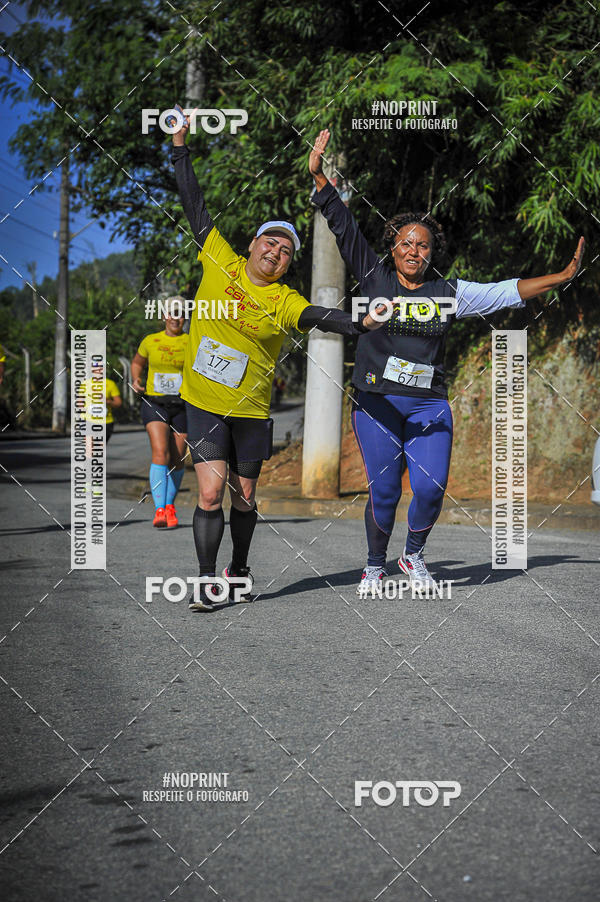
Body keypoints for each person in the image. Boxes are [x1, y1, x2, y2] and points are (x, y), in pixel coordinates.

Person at [309, 128, 584, 596]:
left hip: (427, 404)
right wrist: (319, 177)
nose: (414, 251)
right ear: (392, 247)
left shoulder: (448, 293)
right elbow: (344, 226)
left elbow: (505, 291)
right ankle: (374, 565)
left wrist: (561, 276)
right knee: (386, 492)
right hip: (376, 401)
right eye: (405, 243)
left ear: (430, 253)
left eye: (423, 246)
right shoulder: (375, 278)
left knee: (432, 487)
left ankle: (411, 554)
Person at [170, 107, 390, 611]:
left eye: (287, 250)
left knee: (245, 497)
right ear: (252, 245)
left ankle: (239, 568)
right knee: (209, 494)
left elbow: (321, 316)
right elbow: (194, 203)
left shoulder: (285, 299)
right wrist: (181, 146)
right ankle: (207, 582)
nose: (277, 251)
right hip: (203, 401)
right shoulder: (218, 259)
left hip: (250, 409)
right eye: (271, 241)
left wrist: (360, 323)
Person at [131, 298, 189, 528]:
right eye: (172, 313)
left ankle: (170, 505)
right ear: (164, 316)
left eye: (181, 313)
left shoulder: (191, 341)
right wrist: (135, 378)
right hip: (155, 402)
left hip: (183, 405)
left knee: (178, 457)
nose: (176, 317)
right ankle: (159, 510)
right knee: (160, 451)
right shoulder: (150, 340)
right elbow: (137, 362)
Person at [80, 361, 122, 448]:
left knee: (99, 450)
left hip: (106, 421)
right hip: (88, 420)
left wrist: (108, 401)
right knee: (89, 448)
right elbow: (79, 402)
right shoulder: (85, 384)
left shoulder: (110, 384)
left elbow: (118, 403)